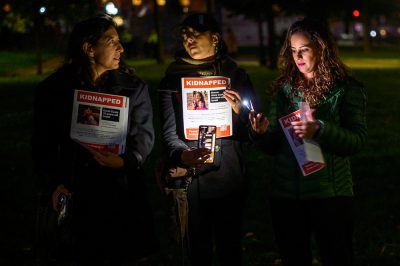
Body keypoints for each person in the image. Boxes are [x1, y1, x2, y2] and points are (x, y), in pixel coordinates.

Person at [33, 14, 158, 264]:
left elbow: (143, 136)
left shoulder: (133, 88)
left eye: (119, 41)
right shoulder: (55, 89)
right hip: (74, 191)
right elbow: (42, 144)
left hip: (120, 191)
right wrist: (53, 184)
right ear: (89, 48)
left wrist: (124, 162)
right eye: (111, 41)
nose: (121, 48)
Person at [249, 18, 367, 266]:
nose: (297, 57)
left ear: (321, 48)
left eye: (304, 49)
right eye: (293, 51)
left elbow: (357, 141)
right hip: (286, 196)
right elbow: (272, 147)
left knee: (337, 257)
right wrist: (260, 133)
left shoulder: (345, 90)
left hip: (330, 196)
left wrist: (320, 130)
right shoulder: (285, 90)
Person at [157, 12, 259, 266]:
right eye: (184, 36)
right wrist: (182, 155)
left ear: (215, 38)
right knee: (196, 249)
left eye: (194, 34)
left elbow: (253, 128)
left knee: (229, 247)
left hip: (228, 175)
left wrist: (242, 113)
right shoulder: (174, 76)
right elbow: (168, 131)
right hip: (191, 179)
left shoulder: (235, 74)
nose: (188, 40)